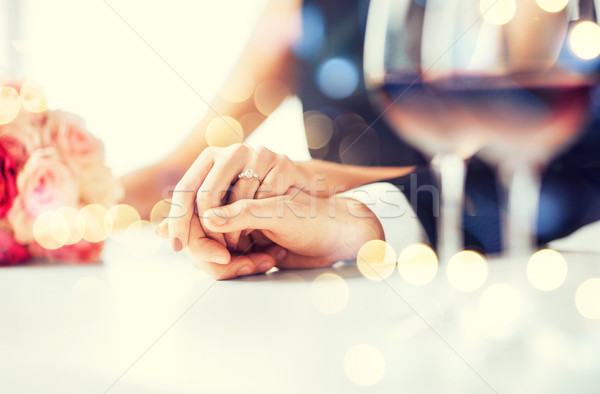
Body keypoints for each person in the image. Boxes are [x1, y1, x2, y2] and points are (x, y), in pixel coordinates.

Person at [126, 0, 600, 279]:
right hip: (343, 295)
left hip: (499, 285)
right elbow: (175, 175)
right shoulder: (300, 10)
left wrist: (348, 206)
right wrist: (72, 195)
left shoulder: (528, 14)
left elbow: (557, 170)